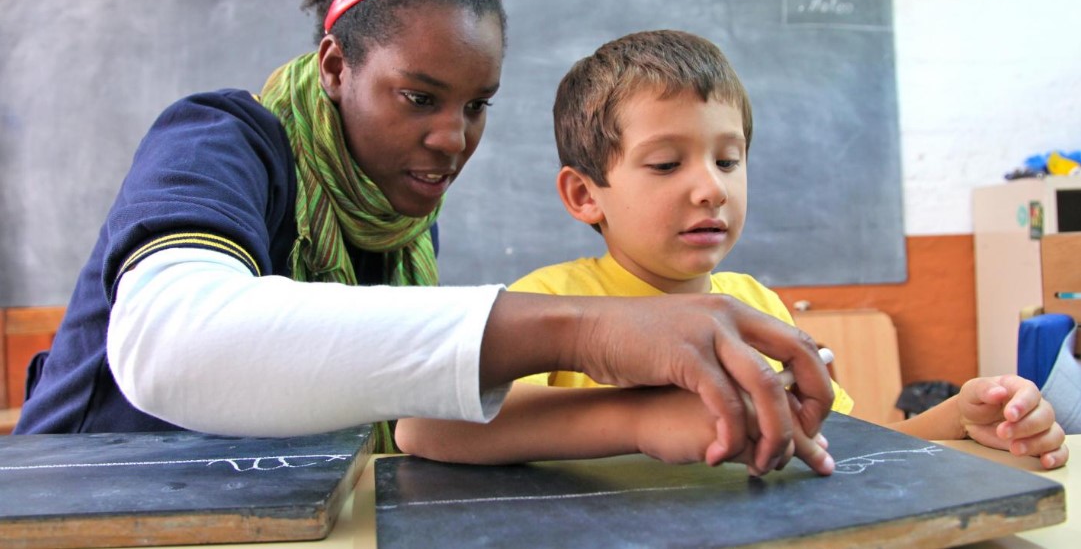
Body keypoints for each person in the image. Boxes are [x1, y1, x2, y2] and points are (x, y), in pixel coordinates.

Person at [14, 0, 833, 476]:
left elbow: (393, 409)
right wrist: (588, 332)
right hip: (93, 508)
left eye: (477, 106)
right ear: (337, 66)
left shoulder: (399, 225)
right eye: (419, 97)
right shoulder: (219, 142)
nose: (453, 138)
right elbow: (173, 345)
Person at [396, 30, 1070, 472]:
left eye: (727, 159)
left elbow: (841, 449)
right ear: (583, 194)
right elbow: (423, 431)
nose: (710, 189)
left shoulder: (753, 306)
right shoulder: (548, 304)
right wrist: (641, 417)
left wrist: (960, 420)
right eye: (665, 164)